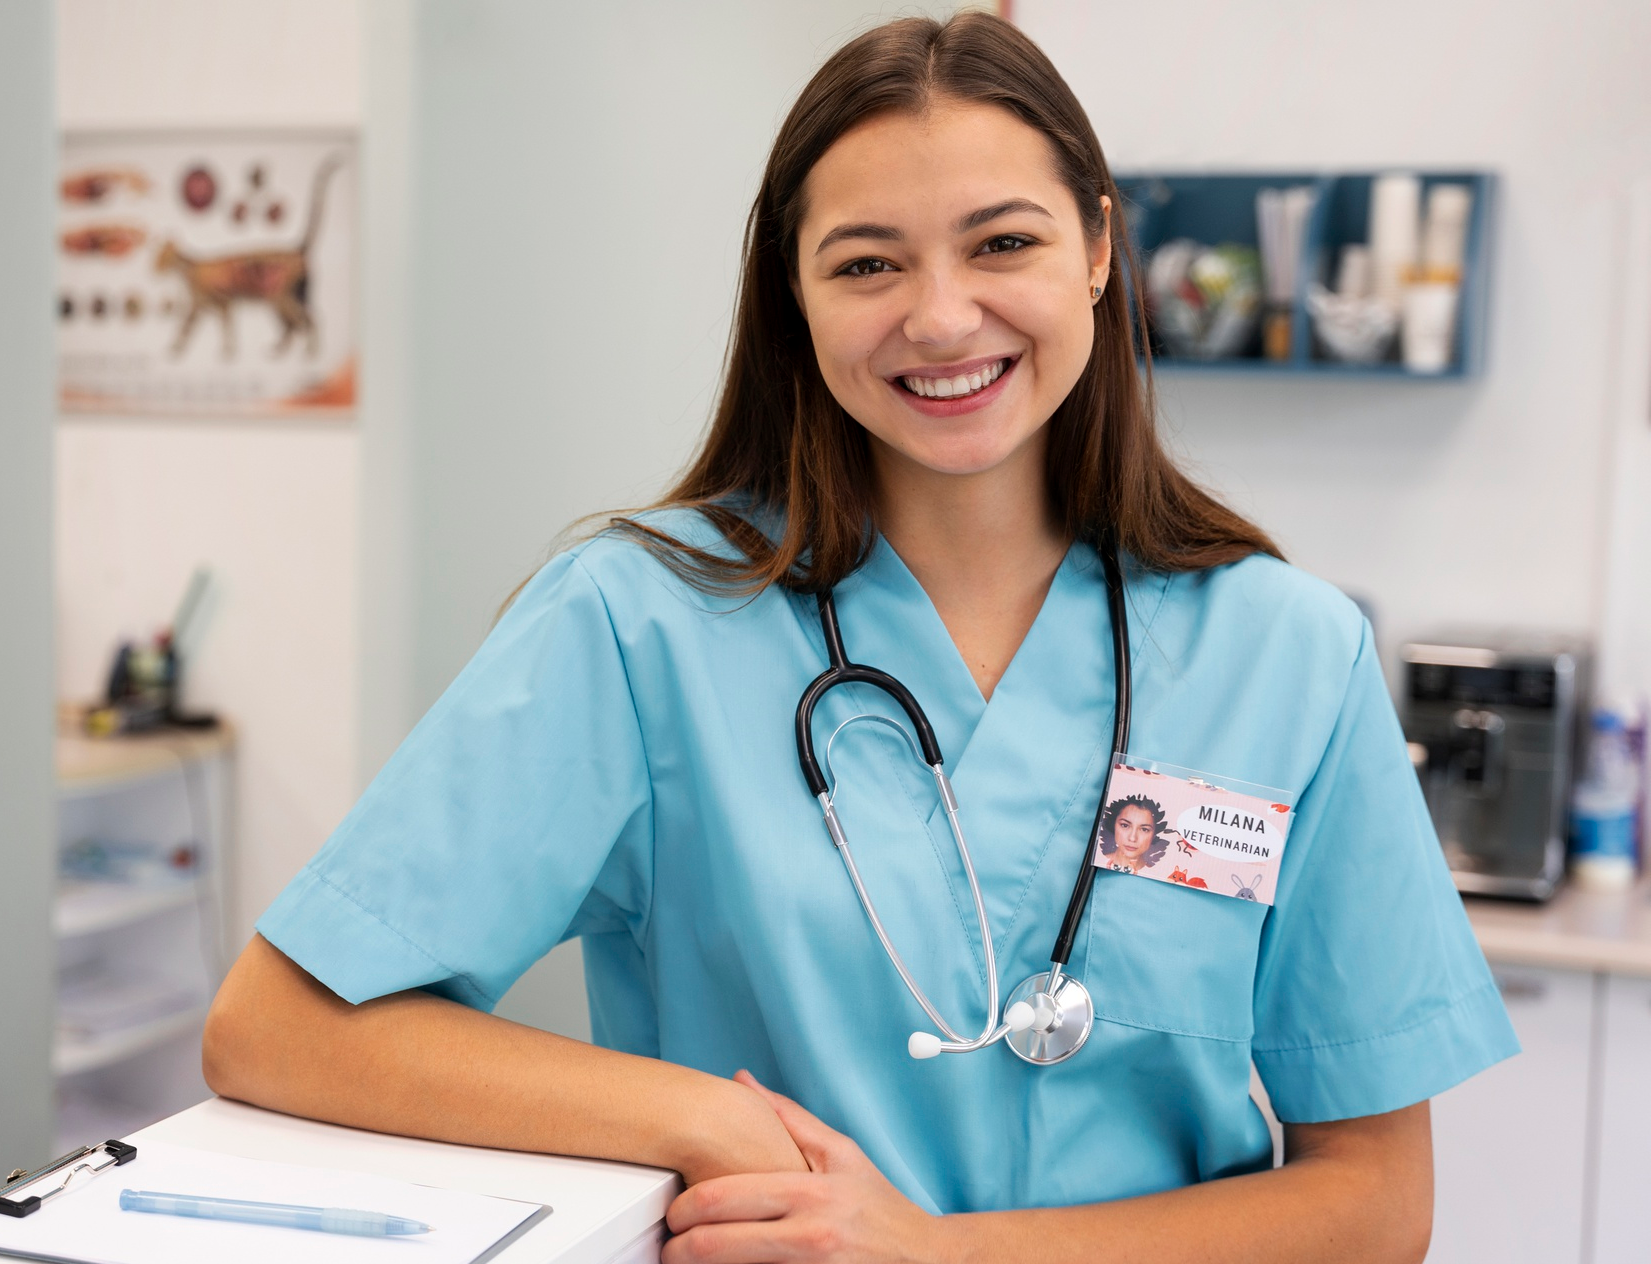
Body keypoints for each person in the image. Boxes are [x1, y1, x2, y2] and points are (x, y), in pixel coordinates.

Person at [204, 13, 1514, 1263]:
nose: (940, 318)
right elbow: (284, 1025)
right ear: (798, 294)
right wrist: (705, 1121)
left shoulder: (1288, 653)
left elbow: (1377, 1203)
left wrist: (940, 1256)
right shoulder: (638, 624)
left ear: (1101, 247)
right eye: (868, 262)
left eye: (1002, 243)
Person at [1100, 796, 1170, 874]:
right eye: (1125, 825)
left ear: (1153, 835)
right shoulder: (1098, 860)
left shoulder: (1159, 873)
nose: (1132, 838)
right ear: (1114, 826)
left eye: (1144, 829)